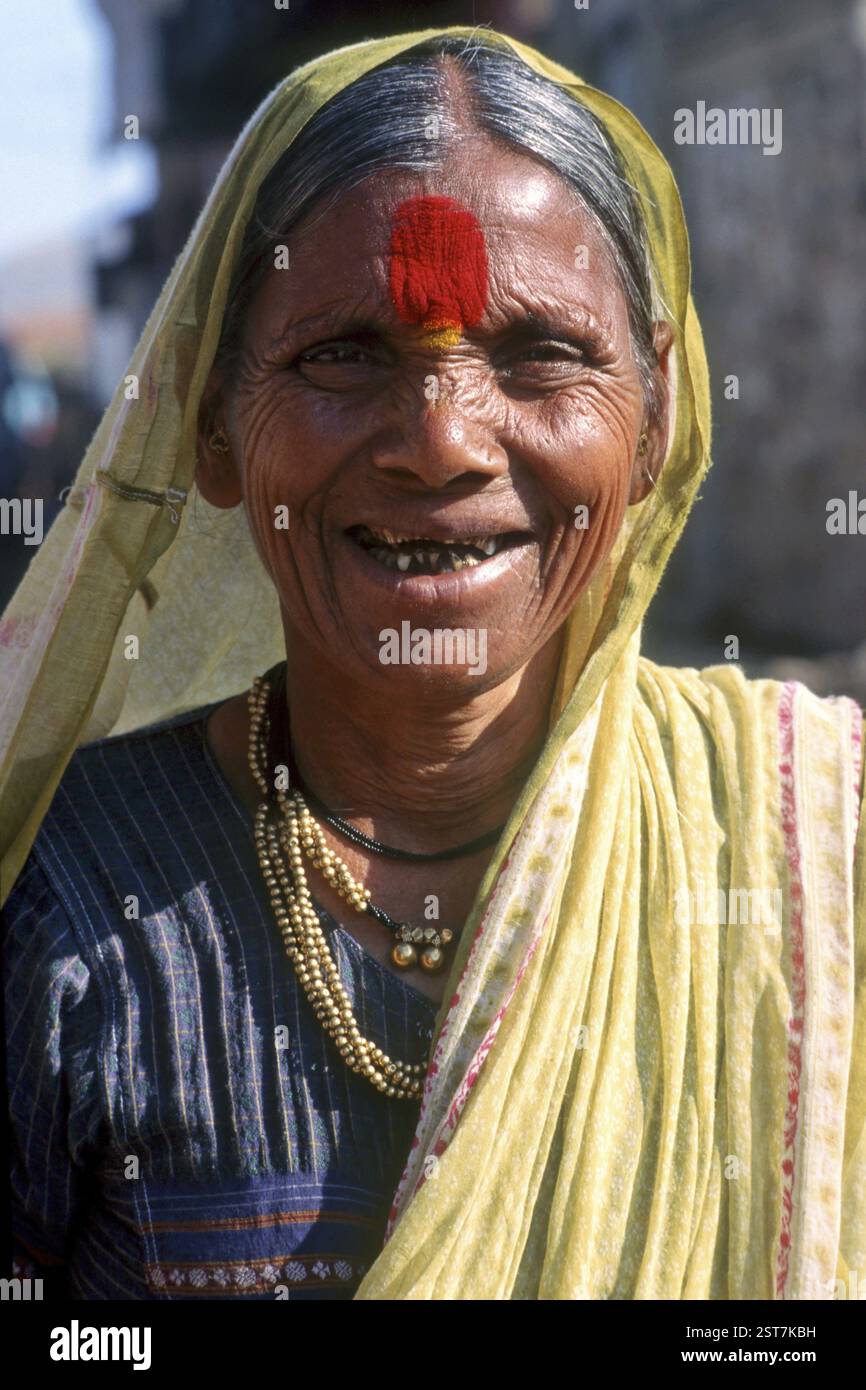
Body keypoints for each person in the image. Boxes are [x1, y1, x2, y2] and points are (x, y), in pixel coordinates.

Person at [1, 25, 863, 1302]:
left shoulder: (815, 843)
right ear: (212, 425)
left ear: (659, 412)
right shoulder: (63, 913)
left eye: (540, 356)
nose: (441, 442)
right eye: (343, 355)